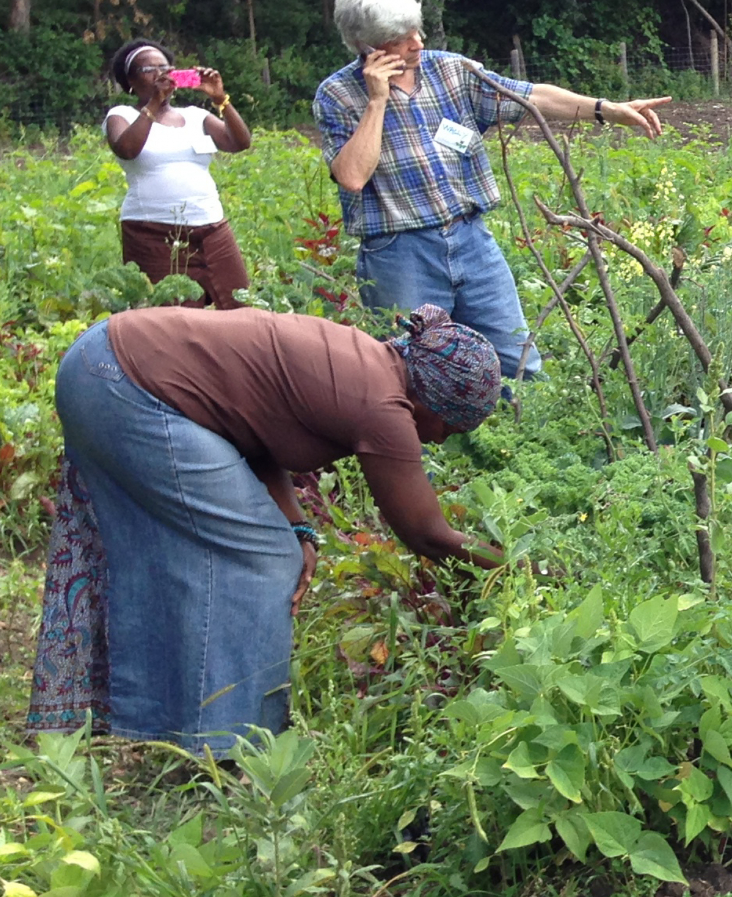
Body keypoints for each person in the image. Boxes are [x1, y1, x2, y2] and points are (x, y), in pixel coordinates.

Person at [29, 305, 504, 756]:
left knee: (184, 554)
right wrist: (525, 567)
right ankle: (234, 745)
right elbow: (426, 533)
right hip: (125, 387)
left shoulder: (362, 359)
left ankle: (173, 723)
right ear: (431, 399)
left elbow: (250, 428)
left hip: (100, 365)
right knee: (267, 559)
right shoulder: (382, 406)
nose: (442, 439)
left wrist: (298, 525)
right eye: (450, 426)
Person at [313, 0, 673, 379]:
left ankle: (522, 435)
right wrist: (377, 99)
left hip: (471, 240)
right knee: (413, 372)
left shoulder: (451, 70)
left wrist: (607, 110)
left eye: (417, 30)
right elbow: (351, 176)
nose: (417, 43)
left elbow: (531, 96)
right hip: (400, 254)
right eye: (401, 39)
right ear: (367, 44)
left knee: (517, 363)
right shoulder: (338, 95)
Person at [101, 40, 253, 308]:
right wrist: (154, 103)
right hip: (152, 233)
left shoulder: (195, 116)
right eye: (150, 69)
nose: (162, 74)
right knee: (171, 318)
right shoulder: (121, 115)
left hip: (212, 229)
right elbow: (127, 149)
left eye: (166, 67)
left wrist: (220, 99)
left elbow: (239, 142)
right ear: (130, 81)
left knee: (239, 304)